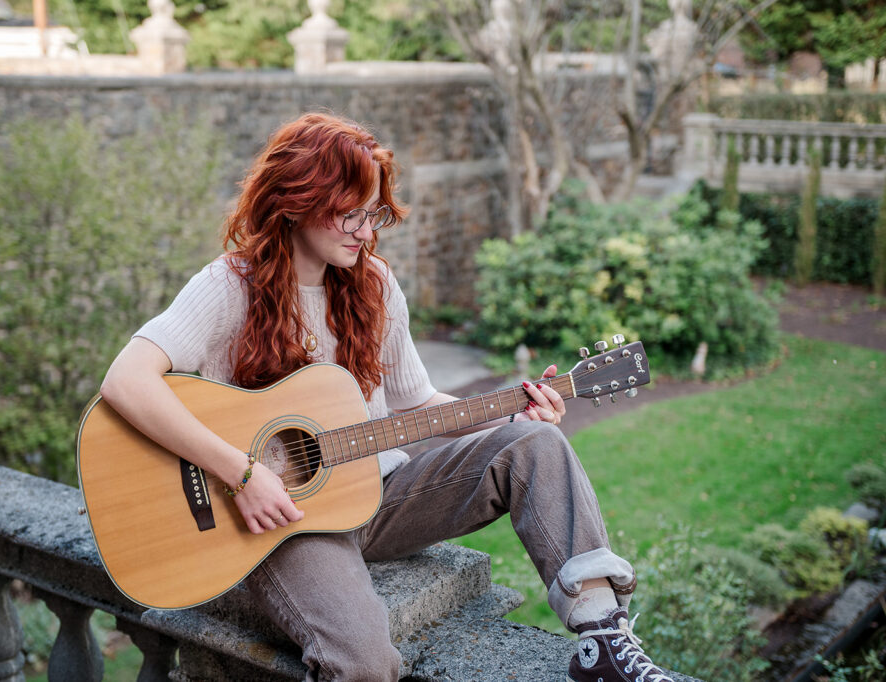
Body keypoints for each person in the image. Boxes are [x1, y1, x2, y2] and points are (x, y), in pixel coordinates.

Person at [99, 112, 673, 682]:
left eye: (373, 213)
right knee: (366, 666)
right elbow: (126, 381)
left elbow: (415, 403)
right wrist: (242, 471)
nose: (366, 231)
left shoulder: (373, 285)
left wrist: (514, 410)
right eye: (350, 213)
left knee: (536, 443)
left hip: (378, 495)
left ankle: (604, 642)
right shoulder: (229, 286)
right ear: (297, 199)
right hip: (275, 524)